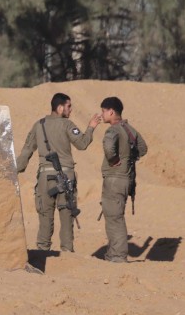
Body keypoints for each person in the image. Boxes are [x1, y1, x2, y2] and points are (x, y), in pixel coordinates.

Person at [16, 93, 101, 252]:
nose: (70, 110)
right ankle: (67, 253)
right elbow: (82, 144)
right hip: (66, 177)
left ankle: (42, 252)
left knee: (45, 216)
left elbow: (26, 152)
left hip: (45, 179)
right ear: (60, 107)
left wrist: (14, 170)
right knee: (67, 216)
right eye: (69, 107)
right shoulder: (67, 124)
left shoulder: (39, 125)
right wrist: (91, 127)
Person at [98, 96, 148, 263]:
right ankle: (113, 254)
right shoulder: (130, 129)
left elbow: (108, 146)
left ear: (111, 111)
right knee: (115, 215)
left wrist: (113, 160)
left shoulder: (112, 130)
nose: (102, 114)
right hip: (127, 179)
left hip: (114, 178)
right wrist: (128, 159)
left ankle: (117, 256)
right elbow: (143, 148)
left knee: (114, 217)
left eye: (103, 111)